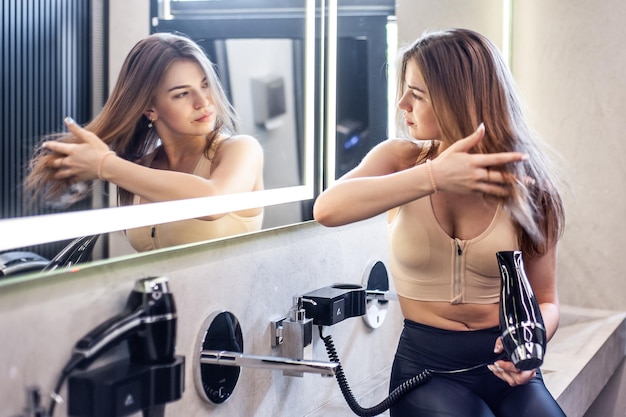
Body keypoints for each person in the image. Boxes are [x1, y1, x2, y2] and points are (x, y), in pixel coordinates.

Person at [314, 28, 566, 416]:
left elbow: (546, 300)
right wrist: (433, 177)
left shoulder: (528, 186)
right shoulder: (400, 160)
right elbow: (327, 209)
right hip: (426, 370)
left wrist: (532, 346)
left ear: (459, 99)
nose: (401, 104)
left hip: (507, 370)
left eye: (416, 94)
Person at [25, 32, 264, 251]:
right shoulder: (139, 168)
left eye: (205, 85)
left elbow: (214, 203)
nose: (203, 101)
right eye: (182, 93)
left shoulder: (241, 150)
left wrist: (106, 165)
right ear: (149, 108)